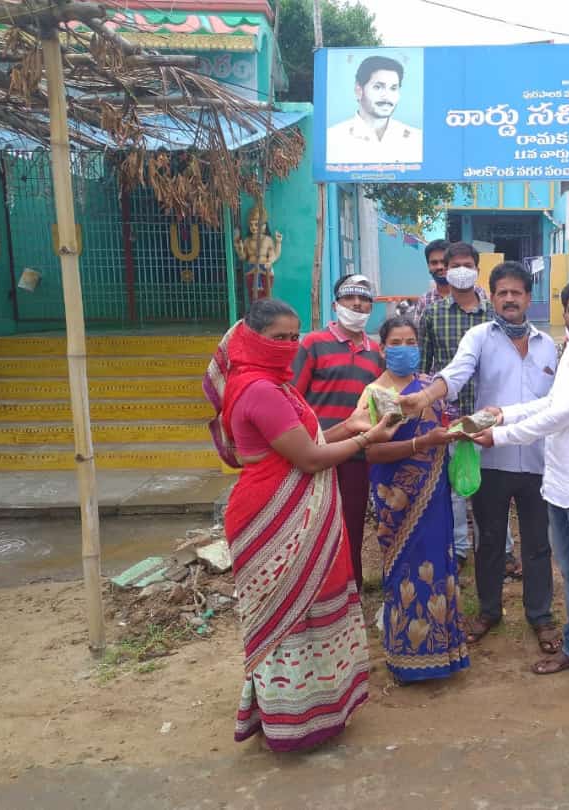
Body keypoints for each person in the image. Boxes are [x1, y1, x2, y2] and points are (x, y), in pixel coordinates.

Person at [203, 298, 398, 752]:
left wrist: (351, 426)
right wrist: (368, 438)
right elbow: (309, 459)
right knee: (286, 616)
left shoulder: (277, 385)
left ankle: (319, 711)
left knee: (311, 608)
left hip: (291, 509)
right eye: (278, 338)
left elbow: (308, 440)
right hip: (273, 512)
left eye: (294, 337)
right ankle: (292, 722)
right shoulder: (260, 390)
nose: (289, 346)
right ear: (253, 339)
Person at [473, 277, 569, 708]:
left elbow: (561, 414)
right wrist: (503, 412)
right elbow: (548, 401)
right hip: (558, 482)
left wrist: (500, 437)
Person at [402, 261, 560, 652]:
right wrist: (425, 396)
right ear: (494, 296)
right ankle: (489, 611)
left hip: (539, 462)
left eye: (517, 292)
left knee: (538, 543)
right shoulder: (479, 337)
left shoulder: (548, 346)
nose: (510, 298)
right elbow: (456, 373)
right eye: (503, 292)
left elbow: (559, 402)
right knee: (489, 540)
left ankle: (540, 616)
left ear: (527, 297)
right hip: (490, 458)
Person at [360, 315, 470, 684]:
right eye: (397, 343)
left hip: (434, 492)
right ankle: (407, 659)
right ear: (382, 348)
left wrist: (463, 430)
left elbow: (443, 427)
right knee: (404, 571)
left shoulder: (428, 387)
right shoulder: (374, 394)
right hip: (395, 498)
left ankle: (445, 653)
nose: (405, 349)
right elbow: (372, 453)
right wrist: (420, 443)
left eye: (411, 342)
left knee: (439, 564)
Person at [418, 242, 508, 574]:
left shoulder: (493, 313)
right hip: (450, 414)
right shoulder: (432, 313)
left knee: (495, 482)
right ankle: (458, 547)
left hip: (489, 412)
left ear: (477, 267)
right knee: (457, 484)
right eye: (453, 264)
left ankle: (503, 547)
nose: (459, 269)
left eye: (466, 264)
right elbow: (426, 368)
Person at [292, 274, 383, 590]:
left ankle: (350, 586)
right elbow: (293, 396)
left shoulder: (377, 352)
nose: (357, 304)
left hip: (357, 455)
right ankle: (316, 588)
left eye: (364, 299)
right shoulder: (313, 344)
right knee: (315, 522)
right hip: (317, 450)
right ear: (336, 304)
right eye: (349, 298)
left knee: (353, 523)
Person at [326, 55, 423, 164]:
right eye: (378, 87)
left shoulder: (417, 139)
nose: (387, 96)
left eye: (393, 88)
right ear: (358, 90)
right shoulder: (332, 139)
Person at [412, 238, 488, 326]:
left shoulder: (479, 294)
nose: (440, 267)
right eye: (434, 263)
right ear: (428, 266)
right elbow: (418, 334)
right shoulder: (425, 300)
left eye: (443, 262)